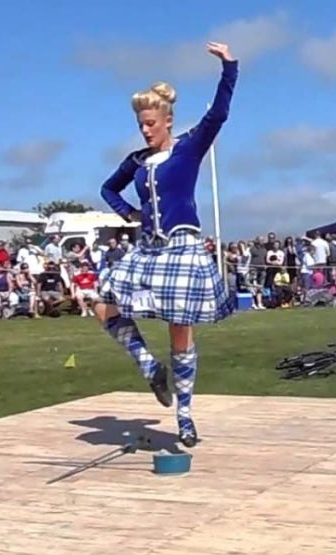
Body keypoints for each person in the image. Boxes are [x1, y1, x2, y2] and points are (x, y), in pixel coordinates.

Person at [96, 42, 238, 448]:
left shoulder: (189, 147)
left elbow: (220, 114)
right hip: (147, 248)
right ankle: (149, 366)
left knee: (180, 332)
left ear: (168, 120)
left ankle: (185, 417)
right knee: (103, 304)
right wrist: (129, 213)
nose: (145, 130)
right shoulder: (136, 161)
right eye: (141, 124)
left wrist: (229, 67)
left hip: (182, 249)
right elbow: (108, 188)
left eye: (151, 123)